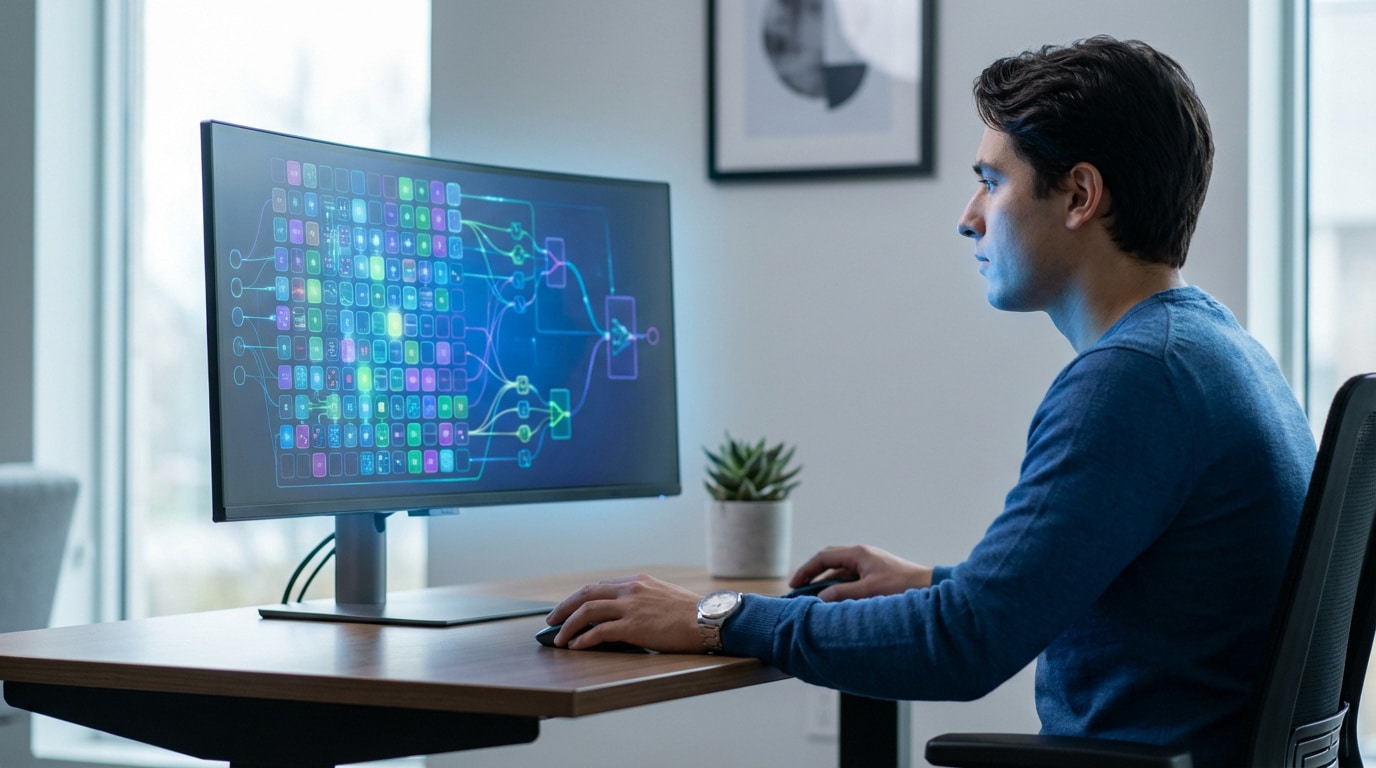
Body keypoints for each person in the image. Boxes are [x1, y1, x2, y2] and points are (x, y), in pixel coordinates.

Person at [545, 36, 1316, 766]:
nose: (968, 217)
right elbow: (1093, 593)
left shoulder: (1135, 379)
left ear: (1080, 195)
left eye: (991, 181)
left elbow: (965, 645)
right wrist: (935, 583)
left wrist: (715, 618)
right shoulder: (1213, 351)